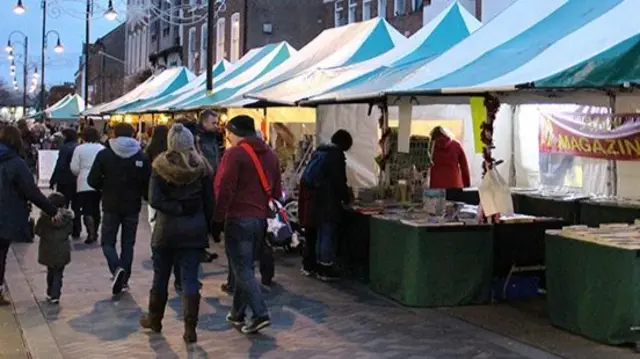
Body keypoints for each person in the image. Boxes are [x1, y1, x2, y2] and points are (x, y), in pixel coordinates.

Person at [139, 123, 213, 343]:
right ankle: (190, 328)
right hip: (194, 230)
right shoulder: (202, 167)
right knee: (190, 278)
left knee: (160, 276)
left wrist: (176, 208)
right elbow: (210, 202)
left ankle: (155, 319)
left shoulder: (160, 167)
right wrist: (208, 227)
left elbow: (154, 199)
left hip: (166, 230)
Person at [214, 115, 280, 334]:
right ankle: (237, 314)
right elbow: (277, 191)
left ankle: (260, 313)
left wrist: (217, 218)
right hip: (260, 218)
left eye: (228, 132)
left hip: (238, 217)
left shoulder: (234, 154)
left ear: (234, 132)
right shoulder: (271, 154)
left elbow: (225, 188)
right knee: (246, 266)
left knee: (241, 268)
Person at [0, 126, 60, 306]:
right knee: (1, 253)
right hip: (5, 215)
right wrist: (52, 210)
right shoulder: (16, 163)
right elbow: (31, 191)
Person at [88, 123, 151, 296]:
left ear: (115, 134)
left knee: (107, 242)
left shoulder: (104, 154)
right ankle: (124, 278)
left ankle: (116, 269)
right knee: (128, 243)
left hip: (110, 203)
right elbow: (147, 183)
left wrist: (105, 186)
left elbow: (92, 180)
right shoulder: (141, 156)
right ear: (133, 134)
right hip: (132, 205)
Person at [299, 129, 352, 281]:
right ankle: (325, 267)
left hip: (315, 200)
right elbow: (339, 181)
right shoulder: (336, 157)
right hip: (328, 201)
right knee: (327, 234)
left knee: (316, 233)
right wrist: (346, 197)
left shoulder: (320, 152)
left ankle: (312, 265)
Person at [144, 124, 182, 292]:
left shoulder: (150, 155)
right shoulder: (185, 161)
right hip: (180, 213)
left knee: (155, 226)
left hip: (159, 202)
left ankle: (155, 313)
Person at [176, 117, 218, 263]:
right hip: (193, 215)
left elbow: (155, 198)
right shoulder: (200, 163)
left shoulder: (163, 164)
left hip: (173, 221)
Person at [35, 192, 74, 304]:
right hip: (62, 249)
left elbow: (38, 231)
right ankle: (56, 294)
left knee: (50, 271)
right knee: (58, 273)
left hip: (48, 249)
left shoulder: (44, 218)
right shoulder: (67, 218)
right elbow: (70, 231)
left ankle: (49, 292)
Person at [70, 128, 104, 244]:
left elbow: (74, 168)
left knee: (86, 209)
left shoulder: (79, 149)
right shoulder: (101, 148)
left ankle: (90, 232)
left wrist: (81, 172)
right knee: (96, 208)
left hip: (83, 181)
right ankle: (95, 230)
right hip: (99, 182)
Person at [50, 129, 81, 239]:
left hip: (64, 180)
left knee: (63, 206)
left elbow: (60, 165)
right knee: (76, 207)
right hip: (77, 180)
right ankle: (77, 229)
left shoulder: (64, 148)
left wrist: (53, 179)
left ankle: (64, 228)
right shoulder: (79, 147)